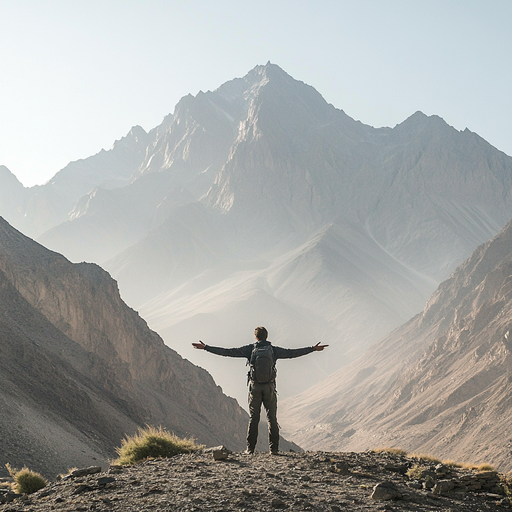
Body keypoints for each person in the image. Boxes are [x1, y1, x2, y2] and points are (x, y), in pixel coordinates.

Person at [192, 326, 328, 455]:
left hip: (255, 388)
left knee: (254, 418)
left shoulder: (250, 349)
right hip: (269, 388)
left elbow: (228, 352)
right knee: (272, 418)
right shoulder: (273, 350)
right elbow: (292, 353)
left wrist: (206, 348)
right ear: (266, 337)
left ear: (256, 337)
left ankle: (250, 449)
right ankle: (274, 450)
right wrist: (313, 349)